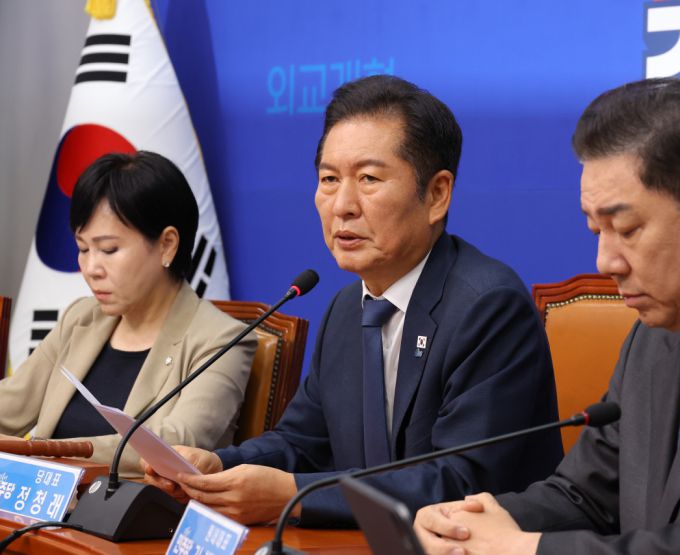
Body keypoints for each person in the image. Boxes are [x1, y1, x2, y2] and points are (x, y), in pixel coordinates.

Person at [144, 75, 562, 526]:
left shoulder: (488, 307)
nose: (342, 205)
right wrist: (217, 466)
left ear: (437, 194)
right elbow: (302, 443)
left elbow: (461, 483)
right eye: (329, 179)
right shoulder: (347, 308)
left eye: (368, 179)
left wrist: (293, 496)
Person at [414, 77, 680, 554]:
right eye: (596, 230)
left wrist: (524, 550)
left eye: (626, 228)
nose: (605, 262)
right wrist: (468, 524)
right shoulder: (656, 336)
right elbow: (584, 496)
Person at [0, 151, 254, 476]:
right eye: (82, 249)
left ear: (167, 245)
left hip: (136, 507)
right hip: (48, 501)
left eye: (108, 250)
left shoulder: (221, 341)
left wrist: (45, 451)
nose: (91, 268)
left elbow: (176, 443)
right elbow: (12, 404)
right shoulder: (82, 318)